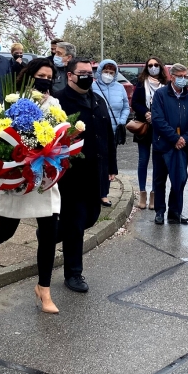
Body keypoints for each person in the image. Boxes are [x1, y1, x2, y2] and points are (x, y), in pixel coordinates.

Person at [0, 58, 62, 314]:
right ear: (29, 76)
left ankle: (44, 289)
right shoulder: (12, 102)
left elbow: (60, 135)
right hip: (18, 175)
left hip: (42, 175)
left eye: (49, 77)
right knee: (7, 229)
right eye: (41, 76)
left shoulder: (55, 105)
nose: (45, 81)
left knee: (48, 234)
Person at [54, 58, 117, 293]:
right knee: (76, 222)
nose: (87, 77)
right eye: (82, 73)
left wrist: (111, 166)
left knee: (91, 217)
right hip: (72, 173)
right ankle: (73, 273)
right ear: (70, 75)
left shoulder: (97, 100)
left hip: (96, 171)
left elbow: (108, 135)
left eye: (90, 73)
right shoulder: (59, 101)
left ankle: (50, 234)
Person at [150, 64, 188, 226]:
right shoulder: (161, 94)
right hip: (163, 144)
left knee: (180, 178)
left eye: (185, 76)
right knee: (160, 179)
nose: (183, 79)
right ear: (172, 76)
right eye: (180, 76)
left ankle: (175, 211)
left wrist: (185, 138)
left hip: (182, 146)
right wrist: (174, 138)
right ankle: (159, 211)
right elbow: (157, 119)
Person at [130, 57, 167, 210]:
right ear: (146, 67)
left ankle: (154, 194)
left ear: (160, 66)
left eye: (156, 65)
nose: (153, 67)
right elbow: (135, 102)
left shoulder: (166, 84)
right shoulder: (141, 82)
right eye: (150, 65)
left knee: (157, 162)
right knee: (143, 160)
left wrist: (156, 116)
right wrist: (146, 113)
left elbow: (168, 104)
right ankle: (142, 193)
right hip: (144, 126)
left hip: (159, 127)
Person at [92, 58, 129, 207]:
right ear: (100, 72)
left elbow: (126, 106)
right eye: (106, 71)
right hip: (97, 131)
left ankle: (104, 194)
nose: (108, 74)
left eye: (111, 72)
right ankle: (94, 192)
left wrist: (122, 121)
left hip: (113, 131)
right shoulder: (92, 86)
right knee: (96, 163)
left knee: (108, 164)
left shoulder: (120, 88)